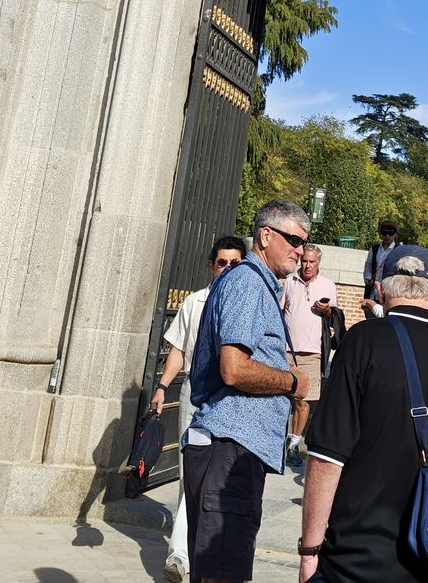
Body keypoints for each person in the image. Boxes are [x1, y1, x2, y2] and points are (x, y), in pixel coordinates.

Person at [299, 245, 428, 583]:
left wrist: (309, 550)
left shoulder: (362, 340)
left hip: (358, 557)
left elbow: (327, 457)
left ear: (381, 292)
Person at [186, 199, 311, 583]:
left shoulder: (257, 284)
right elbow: (234, 369)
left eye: (304, 242)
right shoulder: (247, 282)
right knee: (221, 573)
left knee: (221, 569)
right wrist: (291, 382)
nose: (300, 250)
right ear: (265, 236)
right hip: (230, 446)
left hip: (236, 448)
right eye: (294, 239)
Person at [151, 235, 246, 583]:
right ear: (211, 265)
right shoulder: (195, 302)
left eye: (235, 263)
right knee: (189, 472)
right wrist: (162, 387)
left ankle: (197, 551)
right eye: (222, 263)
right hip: (196, 392)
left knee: (215, 479)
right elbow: (178, 350)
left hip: (230, 397)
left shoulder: (245, 304)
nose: (228, 269)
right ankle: (180, 554)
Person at [280, 242, 337, 459]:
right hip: (287, 351)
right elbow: (279, 313)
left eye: (312, 261)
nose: (307, 265)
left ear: (318, 262)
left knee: (303, 402)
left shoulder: (328, 285)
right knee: (280, 399)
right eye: (304, 261)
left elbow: (335, 320)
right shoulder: (289, 282)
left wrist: (327, 310)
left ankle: (294, 444)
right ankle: (278, 442)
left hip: (313, 353)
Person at [363, 219, 402, 317]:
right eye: (384, 233)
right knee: (370, 319)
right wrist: (368, 278)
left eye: (390, 233)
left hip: (388, 292)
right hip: (372, 291)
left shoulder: (399, 250)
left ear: (395, 234)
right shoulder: (374, 248)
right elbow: (368, 265)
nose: (387, 236)